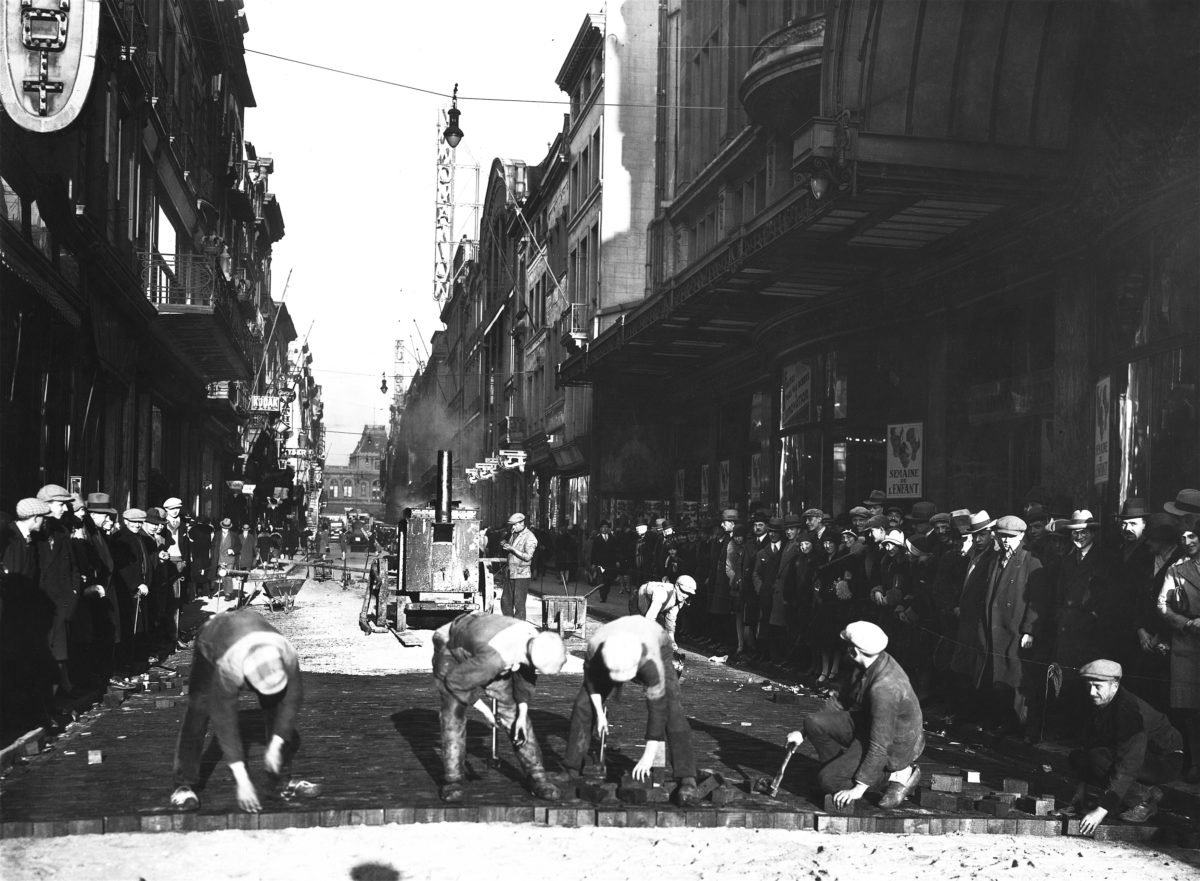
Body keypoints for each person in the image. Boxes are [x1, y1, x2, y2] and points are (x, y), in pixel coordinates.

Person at [170, 609, 318, 813]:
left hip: (251, 627)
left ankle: (281, 780)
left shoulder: (286, 653)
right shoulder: (229, 667)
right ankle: (183, 784)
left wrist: (276, 744)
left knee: (276, 705)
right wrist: (242, 780)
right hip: (212, 638)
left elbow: (291, 699)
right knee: (199, 709)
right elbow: (224, 720)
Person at [562, 616, 700, 805]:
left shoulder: (651, 659)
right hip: (615, 647)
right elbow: (592, 682)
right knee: (582, 706)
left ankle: (687, 778)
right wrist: (600, 714)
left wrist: (649, 754)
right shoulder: (595, 648)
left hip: (656, 642)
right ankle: (572, 767)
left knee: (672, 708)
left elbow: (658, 707)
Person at [787, 620, 924, 809]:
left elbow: (880, 744)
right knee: (813, 723)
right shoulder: (866, 662)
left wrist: (858, 789)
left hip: (893, 744)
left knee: (828, 782)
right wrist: (802, 733)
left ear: (855, 651)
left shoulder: (884, 687)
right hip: (868, 725)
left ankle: (896, 776)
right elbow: (841, 702)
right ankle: (839, 772)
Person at [431, 611, 566, 802]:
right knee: (454, 714)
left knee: (513, 712)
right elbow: (455, 682)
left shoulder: (533, 638)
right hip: (451, 645)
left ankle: (537, 776)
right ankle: (453, 780)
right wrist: (485, 710)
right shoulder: (494, 659)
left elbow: (524, 679)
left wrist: (521, 715)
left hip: (483, 640)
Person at [1068, 659, 1183, 834]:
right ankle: (1146, 791)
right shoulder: (1102, 700)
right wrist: (1081, 789)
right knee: (1080, 756)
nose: (1091, 692)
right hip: (1143, 755)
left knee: (1099, 759)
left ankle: (1143, 801)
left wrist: (1101, 811)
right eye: (1089, 685)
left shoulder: (1127, 711)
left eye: (1097, 686)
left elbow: (1128, 764)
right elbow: (1090, 743)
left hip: (1166, 759)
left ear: (1114, 686)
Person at [1157, 523, 1200, 782]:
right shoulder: (1176, 570)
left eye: (1193, 535)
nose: (1187, 540)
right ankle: (1196, 763)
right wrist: (1185, 623)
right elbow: (1163, 604)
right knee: (1190, 709)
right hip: (1187, 644)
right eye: (1183, 537)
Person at [636, 574, 698, 653]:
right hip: (640, 598)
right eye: (683, 591)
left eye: (688, 593)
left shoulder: (681, 599)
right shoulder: (662, 593)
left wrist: (672, 641)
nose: (685, 595)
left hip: (655, 604)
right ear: (676, 586)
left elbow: (671, 620)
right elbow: (650, 618)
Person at [499, 512, 537, 619]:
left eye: (515, 525)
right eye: (512, 525)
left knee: (519, 605)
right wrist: (505, 545)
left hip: (521, 575)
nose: (513, 527)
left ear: (522, 523)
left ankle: (519, 629)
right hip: (510, 573)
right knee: (506, 602)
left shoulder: (530, 537)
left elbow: (528, 557)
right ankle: (508, 624)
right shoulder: (513, 534)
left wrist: (512, 549)